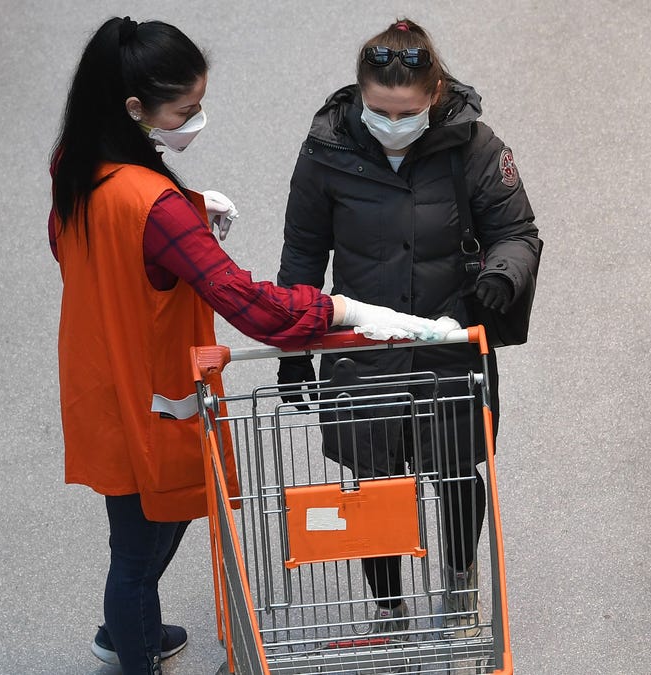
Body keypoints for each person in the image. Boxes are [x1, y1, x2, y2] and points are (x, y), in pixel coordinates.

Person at [49, 17, 453, 674]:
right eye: (187, 109)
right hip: (148, 398)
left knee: (155, 521)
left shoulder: (78, 166)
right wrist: (334, 308)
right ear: (134, 108)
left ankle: (128, 626)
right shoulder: (153, 206)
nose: (197, 118)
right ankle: (130, 644)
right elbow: (251, 306)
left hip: (99, 380)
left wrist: (186, 206)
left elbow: (86, 249)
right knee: (137, 550)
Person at [276, 18, 542, 638]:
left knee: (456, 473)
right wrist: (294, 350)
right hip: (362, 348)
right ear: (359, 95)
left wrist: (502, 276)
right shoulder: (325, 154)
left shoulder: (473, 146)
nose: (392, 123)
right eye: (378, 110)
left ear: (436, 95)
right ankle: (388, 603)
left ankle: (458, 581)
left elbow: (517, 232)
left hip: (449, 342)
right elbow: (302, 256)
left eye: (406, 111)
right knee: (375, 487)